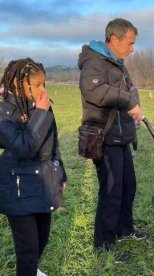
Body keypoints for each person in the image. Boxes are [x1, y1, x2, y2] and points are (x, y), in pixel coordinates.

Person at [78, 18, 146, 255]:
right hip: (105, 138)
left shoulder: (117, 63)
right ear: (114, 39)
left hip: (121, 136)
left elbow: (128, 90)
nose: (132, 48)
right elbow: (94, 91)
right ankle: (104, 245)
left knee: (128, 186)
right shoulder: (94, 62)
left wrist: (135, 104)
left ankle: (124, 229)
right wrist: (128, 100)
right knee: (111, 191)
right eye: (129, 43)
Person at [0, 58, 67, 276]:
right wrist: (40, 112)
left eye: (44, 84)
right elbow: (24, 147)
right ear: (19, 84)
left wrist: (61, 174)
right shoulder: (3, 111)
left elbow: (52, 142)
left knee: (41, 240)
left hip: (42, 184)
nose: (42, 90)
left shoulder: (40, 106)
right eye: (37, 85)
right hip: (17, 188)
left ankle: (30, 270)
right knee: (27, 248)